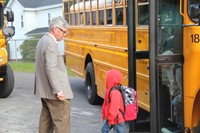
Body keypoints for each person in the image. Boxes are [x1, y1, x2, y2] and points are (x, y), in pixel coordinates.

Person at [34, 16, 73, 133]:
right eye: (64, 32)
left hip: (45, 92)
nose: (64, 35)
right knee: (62, 124)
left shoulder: (42, 40)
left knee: (46, 121)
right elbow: (51, 68)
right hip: (55, 93)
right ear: (56, 30)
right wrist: (59, 90)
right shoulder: (50, 43)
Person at [162, 50, 183, 129]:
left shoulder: (177, 70)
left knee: (175, 104)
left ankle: (180, 126)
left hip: (180, 93)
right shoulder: (168, 69)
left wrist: (181, 96)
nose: (163, 64)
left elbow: (182, 86)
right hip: (175, 93)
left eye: (165, 61)